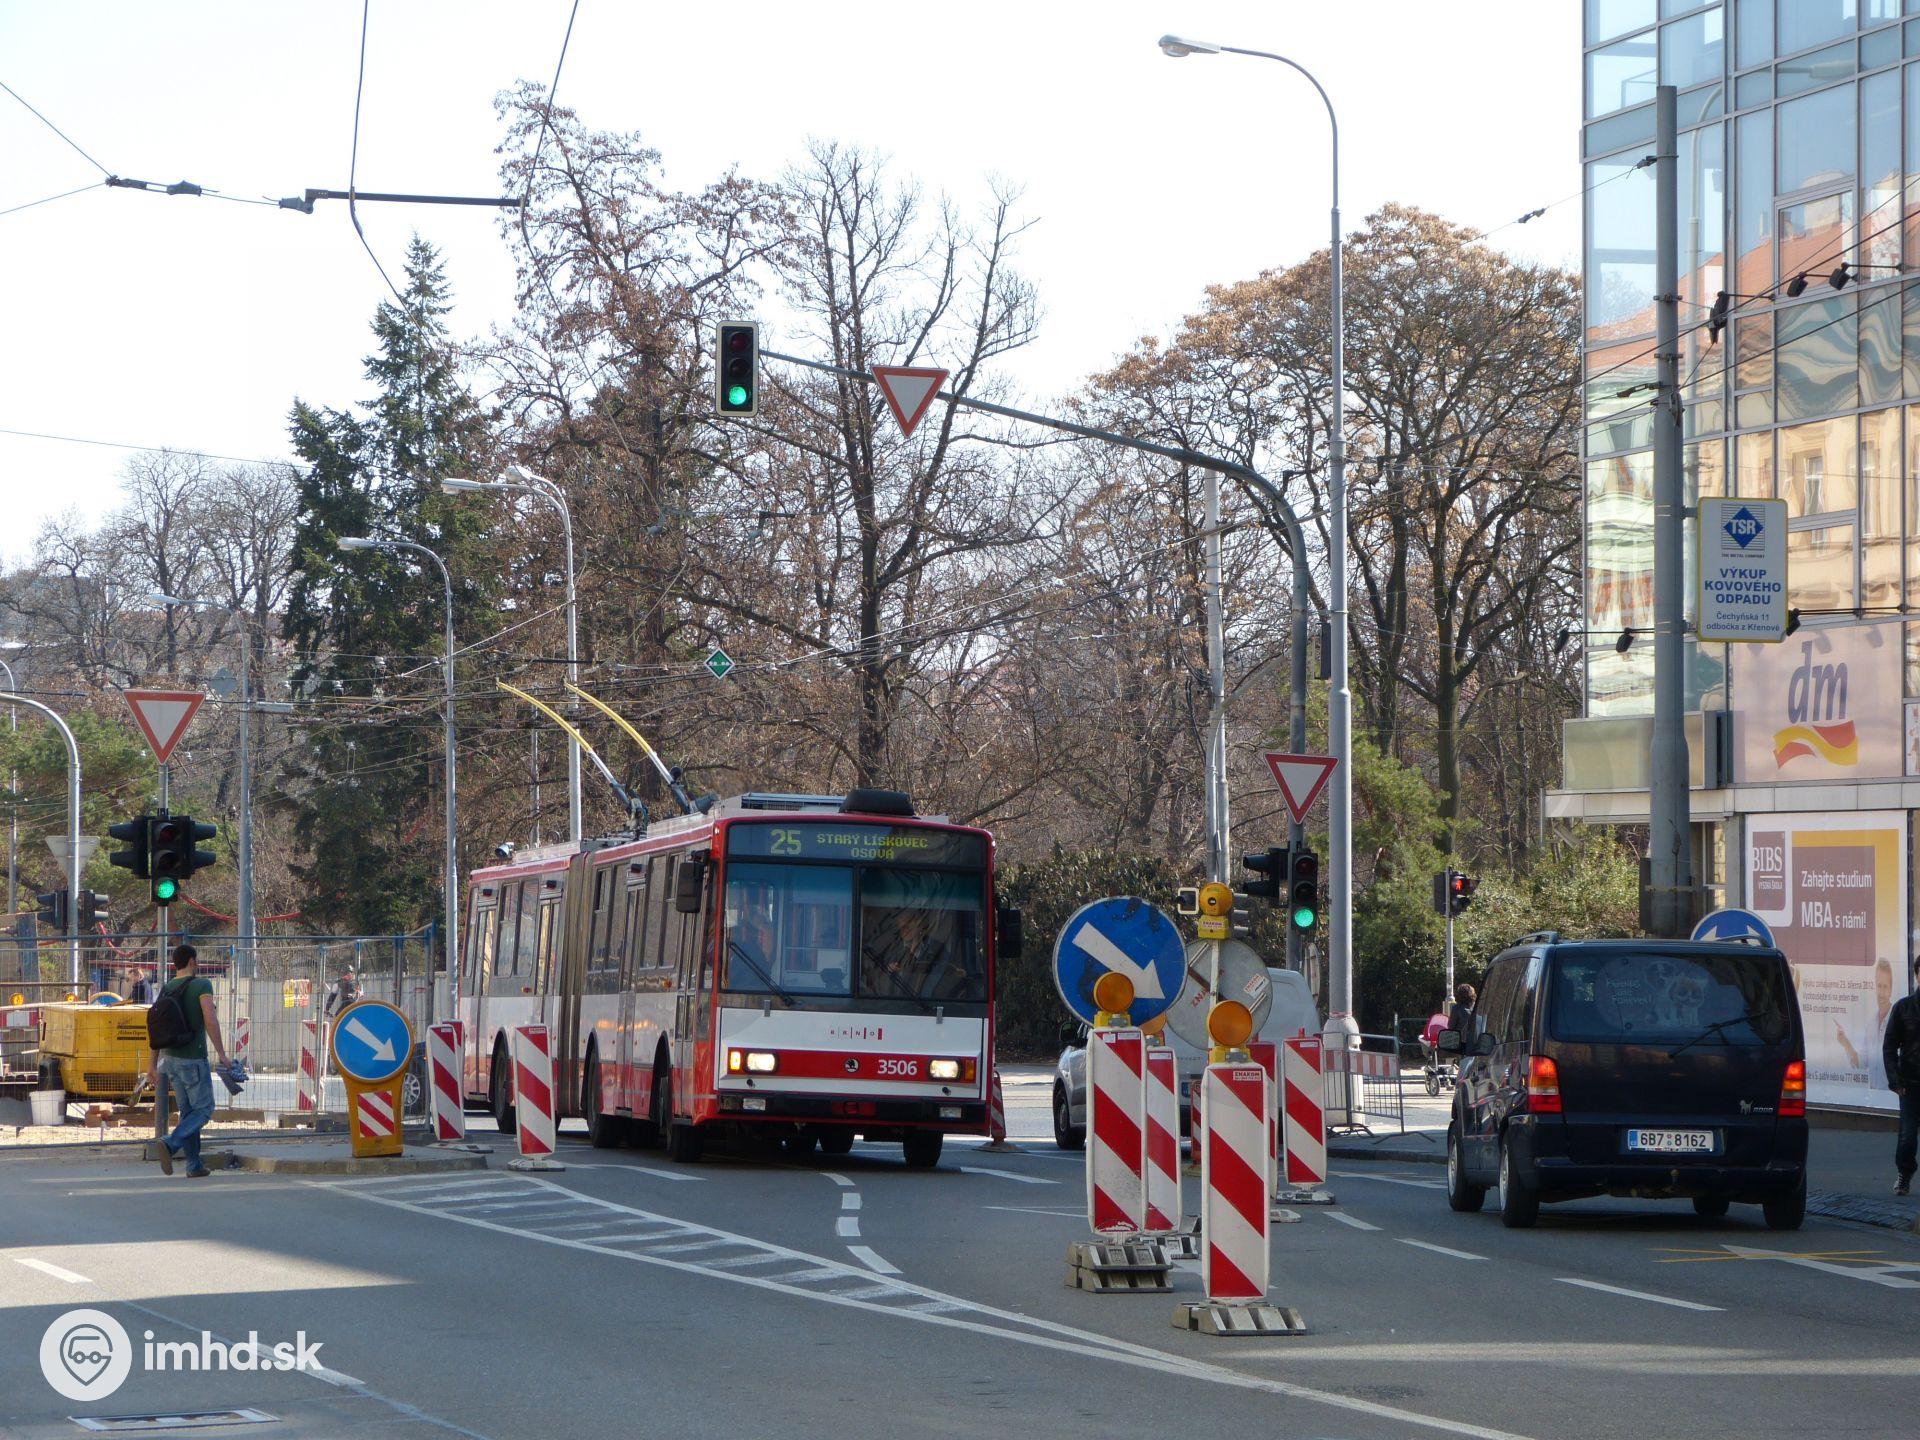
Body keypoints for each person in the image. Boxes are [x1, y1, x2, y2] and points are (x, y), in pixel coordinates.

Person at [145, 944, 229, 1179]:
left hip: (169, 1060)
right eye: (197, 960)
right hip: (193, 1059)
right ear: (192, 961)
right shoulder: (202, 985)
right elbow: (210, 1019)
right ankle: (170, 1142)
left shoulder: (166, 989)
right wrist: (222, 1054)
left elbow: (155, 1028)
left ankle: (194, 1165)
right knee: (204, 1110)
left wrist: (152, 1065)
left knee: (188, 1113)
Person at [1882, 954, 1920, 1197]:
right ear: (1917, 976)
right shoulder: (1904, 1007)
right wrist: (1895, 1080)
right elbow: (1889, 1046)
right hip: (1911, 1084)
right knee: (1907, 1137)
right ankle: (1904, 1174)